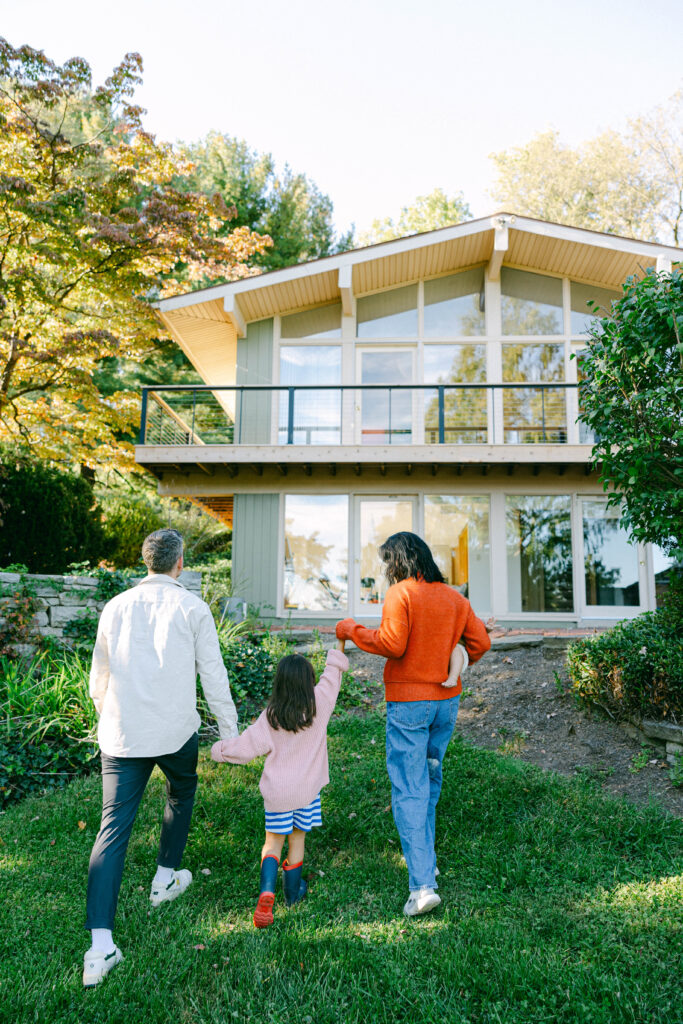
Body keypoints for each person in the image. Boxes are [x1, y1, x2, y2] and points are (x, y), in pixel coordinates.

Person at [83, 529, 239, 987]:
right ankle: (165, 877)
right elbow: (213, 674)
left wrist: (107, 715)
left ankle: (99, 948)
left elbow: (99, 676)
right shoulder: (193, 607)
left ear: (146, 562)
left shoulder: (116, 606)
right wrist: (228, 733)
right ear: (180, 563)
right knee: (181, 792)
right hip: (174, 733)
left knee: (112, 828)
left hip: (123, 734)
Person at [335, 531, 491, 918]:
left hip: (409, 704)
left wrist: (350, 630)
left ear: (400, 561)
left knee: (410, 788)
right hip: (446, 703)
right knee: (429, 779)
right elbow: (481, 643)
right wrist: (455, 656)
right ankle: (427, 861)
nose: (387, 569)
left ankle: (422, 887)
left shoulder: (401, 593)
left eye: (388, 561)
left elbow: (392, 644)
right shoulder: (455, 597)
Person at [211, 641, 349, 929]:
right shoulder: (320, 705)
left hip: (278, 794)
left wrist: (219, 751)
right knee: (297, 839)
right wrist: (340, 644)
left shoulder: (271, 717)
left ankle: (266, 891)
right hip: (306, 793)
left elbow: (246, 747)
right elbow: (332, 675)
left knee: (273, 842)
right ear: (309, 682)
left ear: (279, 684)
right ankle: (293, 894)